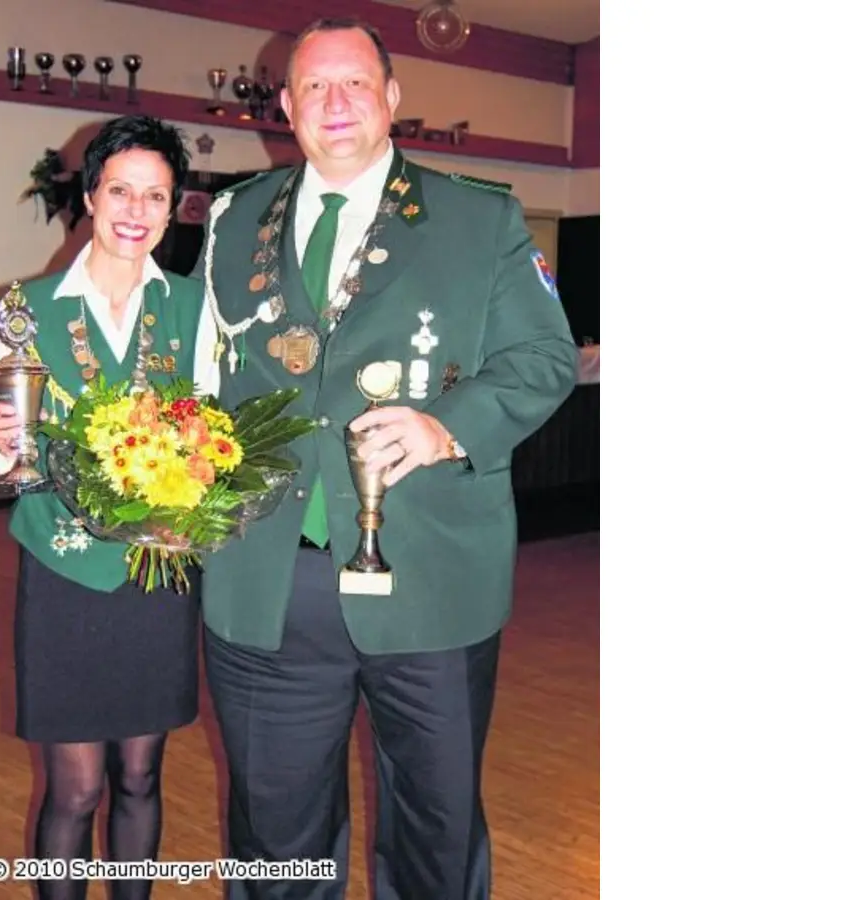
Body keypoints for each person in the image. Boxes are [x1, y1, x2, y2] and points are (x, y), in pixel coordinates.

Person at [189, 18, 582, 900]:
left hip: (431, 574)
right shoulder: (231, 215)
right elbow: (202, 373)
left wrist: (450, 426)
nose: (336, 103)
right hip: (267, 580)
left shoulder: (480, 217)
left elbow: (544, 357)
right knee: (274, 836)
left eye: (356, 83)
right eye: (315, 87)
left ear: (392, 98)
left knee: (435, 832)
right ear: (285, 107)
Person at [0, 114, 219, 900]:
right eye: (120, 190)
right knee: (74, 789)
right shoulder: (24, 307)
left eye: (156, 195)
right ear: (89, 194)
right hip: (64, 573)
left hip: (157, 569)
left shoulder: (193, 308)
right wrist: (0, 436)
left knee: (142, 775)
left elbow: (214, 435)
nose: (136, 211)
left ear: (175, 206)